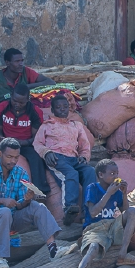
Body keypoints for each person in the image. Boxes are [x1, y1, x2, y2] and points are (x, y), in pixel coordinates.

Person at [0, 138, 61, 268]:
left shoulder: (20, 172)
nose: (13, 161)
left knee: (38, 207)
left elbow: (19, 206)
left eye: (16, 157)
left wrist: (27, 199)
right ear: (0, 154)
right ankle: (0, 258)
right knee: (4, 212)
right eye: (9, 157)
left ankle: (53, 249)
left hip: (11, 219)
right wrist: (2, 201)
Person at [66, 159, 135, 268]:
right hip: (94, 228)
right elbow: (93, 213)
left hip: (111, 225)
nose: (116, 176)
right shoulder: (92, 188)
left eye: (117, 173)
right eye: (112, 173)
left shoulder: (117, 191)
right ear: (101, 175)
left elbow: (125, 211)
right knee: (93, 247)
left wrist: (124, 194)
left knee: (133, 211)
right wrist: (108, 194)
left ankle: (122, 254)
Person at [33, 95, 96, 225]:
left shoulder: (76, 125)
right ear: (52, 110)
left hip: (74, 158)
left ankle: (88, 210)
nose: (62, 109)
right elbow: (37, 143)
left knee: (90, 171)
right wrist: (46, 153)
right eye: (58, 107)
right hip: (56, 158)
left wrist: (84, 157)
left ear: (69, 108)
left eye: (65, 107)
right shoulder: (47, 125)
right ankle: (69, 209)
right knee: (70, 174)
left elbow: (85, 145)